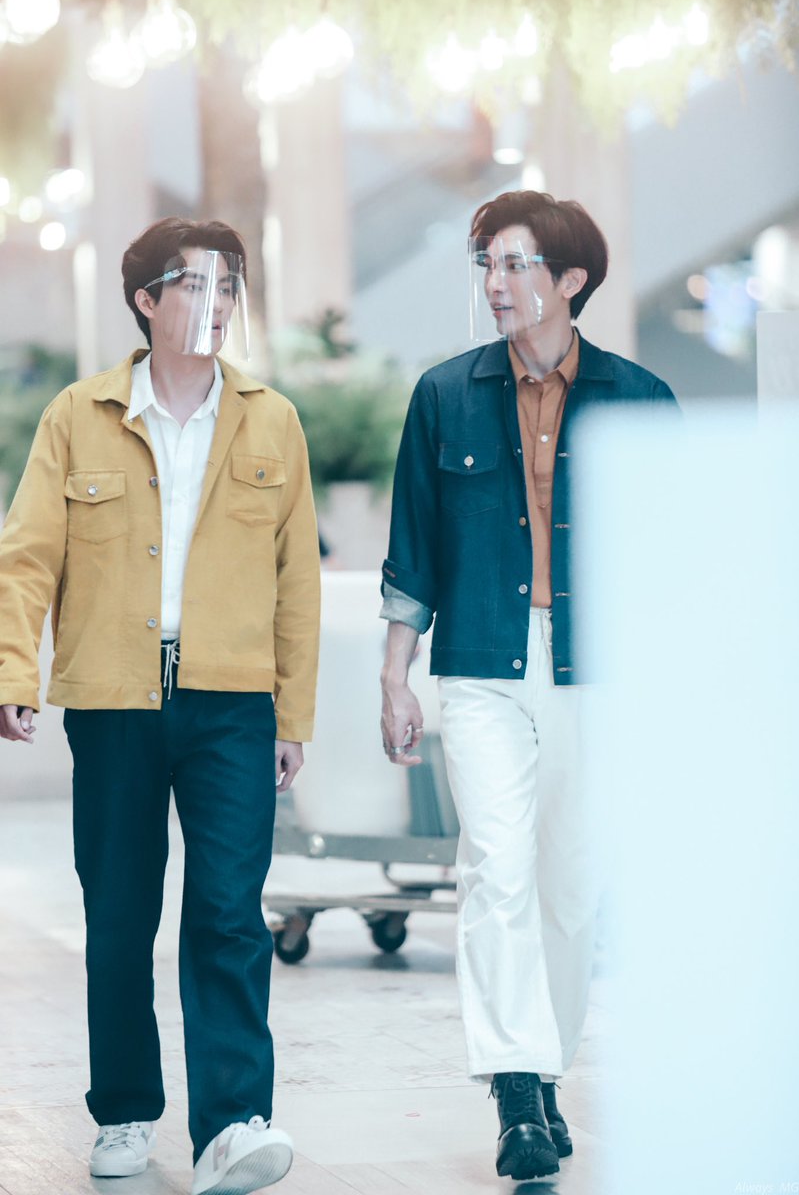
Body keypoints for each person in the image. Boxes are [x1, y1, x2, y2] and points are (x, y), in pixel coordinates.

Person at [0, 218, 320, 1195]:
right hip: (113, 701)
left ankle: (233, 1123)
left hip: (233, 704)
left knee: (228, 914)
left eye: (230, 286)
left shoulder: (272, 419)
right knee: (119, 913)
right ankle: (125, 1110)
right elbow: (27, 555)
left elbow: (295, 580)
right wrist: (13, 672)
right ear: (146, 299)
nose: (217, 305)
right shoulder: (78, 414)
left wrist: (292, 715)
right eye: (195, 284)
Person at [379, 190, 678, 1180]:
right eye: (486, 266)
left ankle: (543, 1069)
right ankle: (514, 1087)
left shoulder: (639, 399)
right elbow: (414, 549)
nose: (495, 284)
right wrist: (394, 676)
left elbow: (671, 562)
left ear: (570, 279)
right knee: (494, 871)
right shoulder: (445, 394)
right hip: (481, 665)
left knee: (571, 887)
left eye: (513, 264)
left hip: (599, 671)